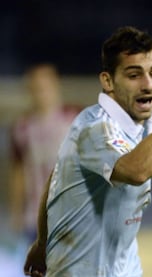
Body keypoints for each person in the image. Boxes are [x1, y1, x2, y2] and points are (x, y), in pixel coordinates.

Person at [23, 26, 152, 277]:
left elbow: (55, 179)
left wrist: (43, 244)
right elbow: (137, 170)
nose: (148, 84)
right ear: (108, 81)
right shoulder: (95, 128)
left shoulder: (145, 127)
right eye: (134, 75)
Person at [9, 63, 80, 243]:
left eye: (45, 87)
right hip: (36, 217)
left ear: (56, 86)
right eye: (36, 88)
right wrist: (16, 212)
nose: (41, 93)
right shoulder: (22, 128)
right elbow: (18, 172)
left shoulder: (75, 119)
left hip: (72, 214)